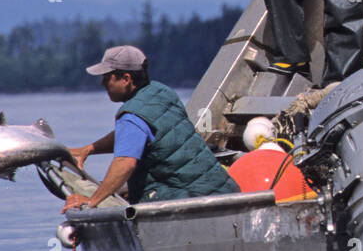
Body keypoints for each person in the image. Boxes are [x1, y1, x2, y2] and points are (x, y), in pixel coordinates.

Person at [62, 45, 239, 209]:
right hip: (224, 190)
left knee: (136, 194)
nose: (102, 84)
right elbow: (131, 136)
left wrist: (92, 201)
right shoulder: (161, 92)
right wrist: (88, 149)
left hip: (198, 200)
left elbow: (125, 164)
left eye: (107, 78)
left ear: (125, 79)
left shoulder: (132, 114)